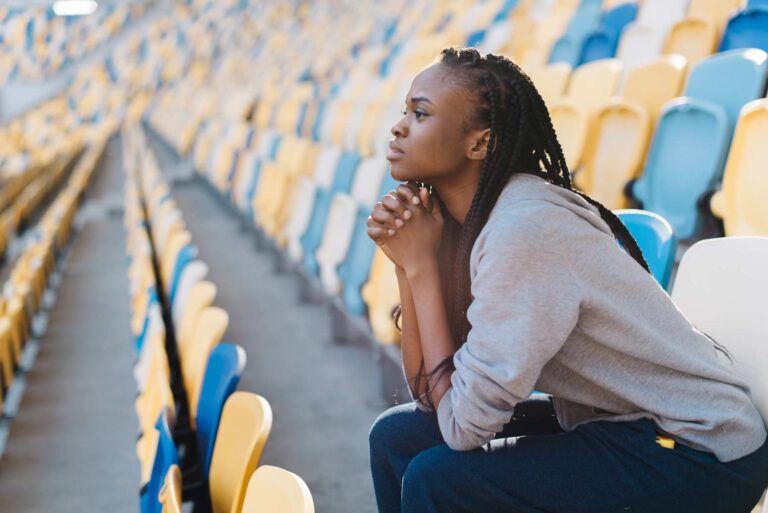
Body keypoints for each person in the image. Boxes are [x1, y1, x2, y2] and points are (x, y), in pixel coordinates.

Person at [365, 47, 768, 513]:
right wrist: (410, 264)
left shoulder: (524, 230)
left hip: (698, 447)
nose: (399, 127)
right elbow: (432, 395)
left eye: (421, 113)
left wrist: (419, 268)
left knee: (439, 480)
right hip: (617, 422)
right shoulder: (474, 222)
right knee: (396, 437)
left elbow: (461, 429)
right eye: (404, 112)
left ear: (480, 144)